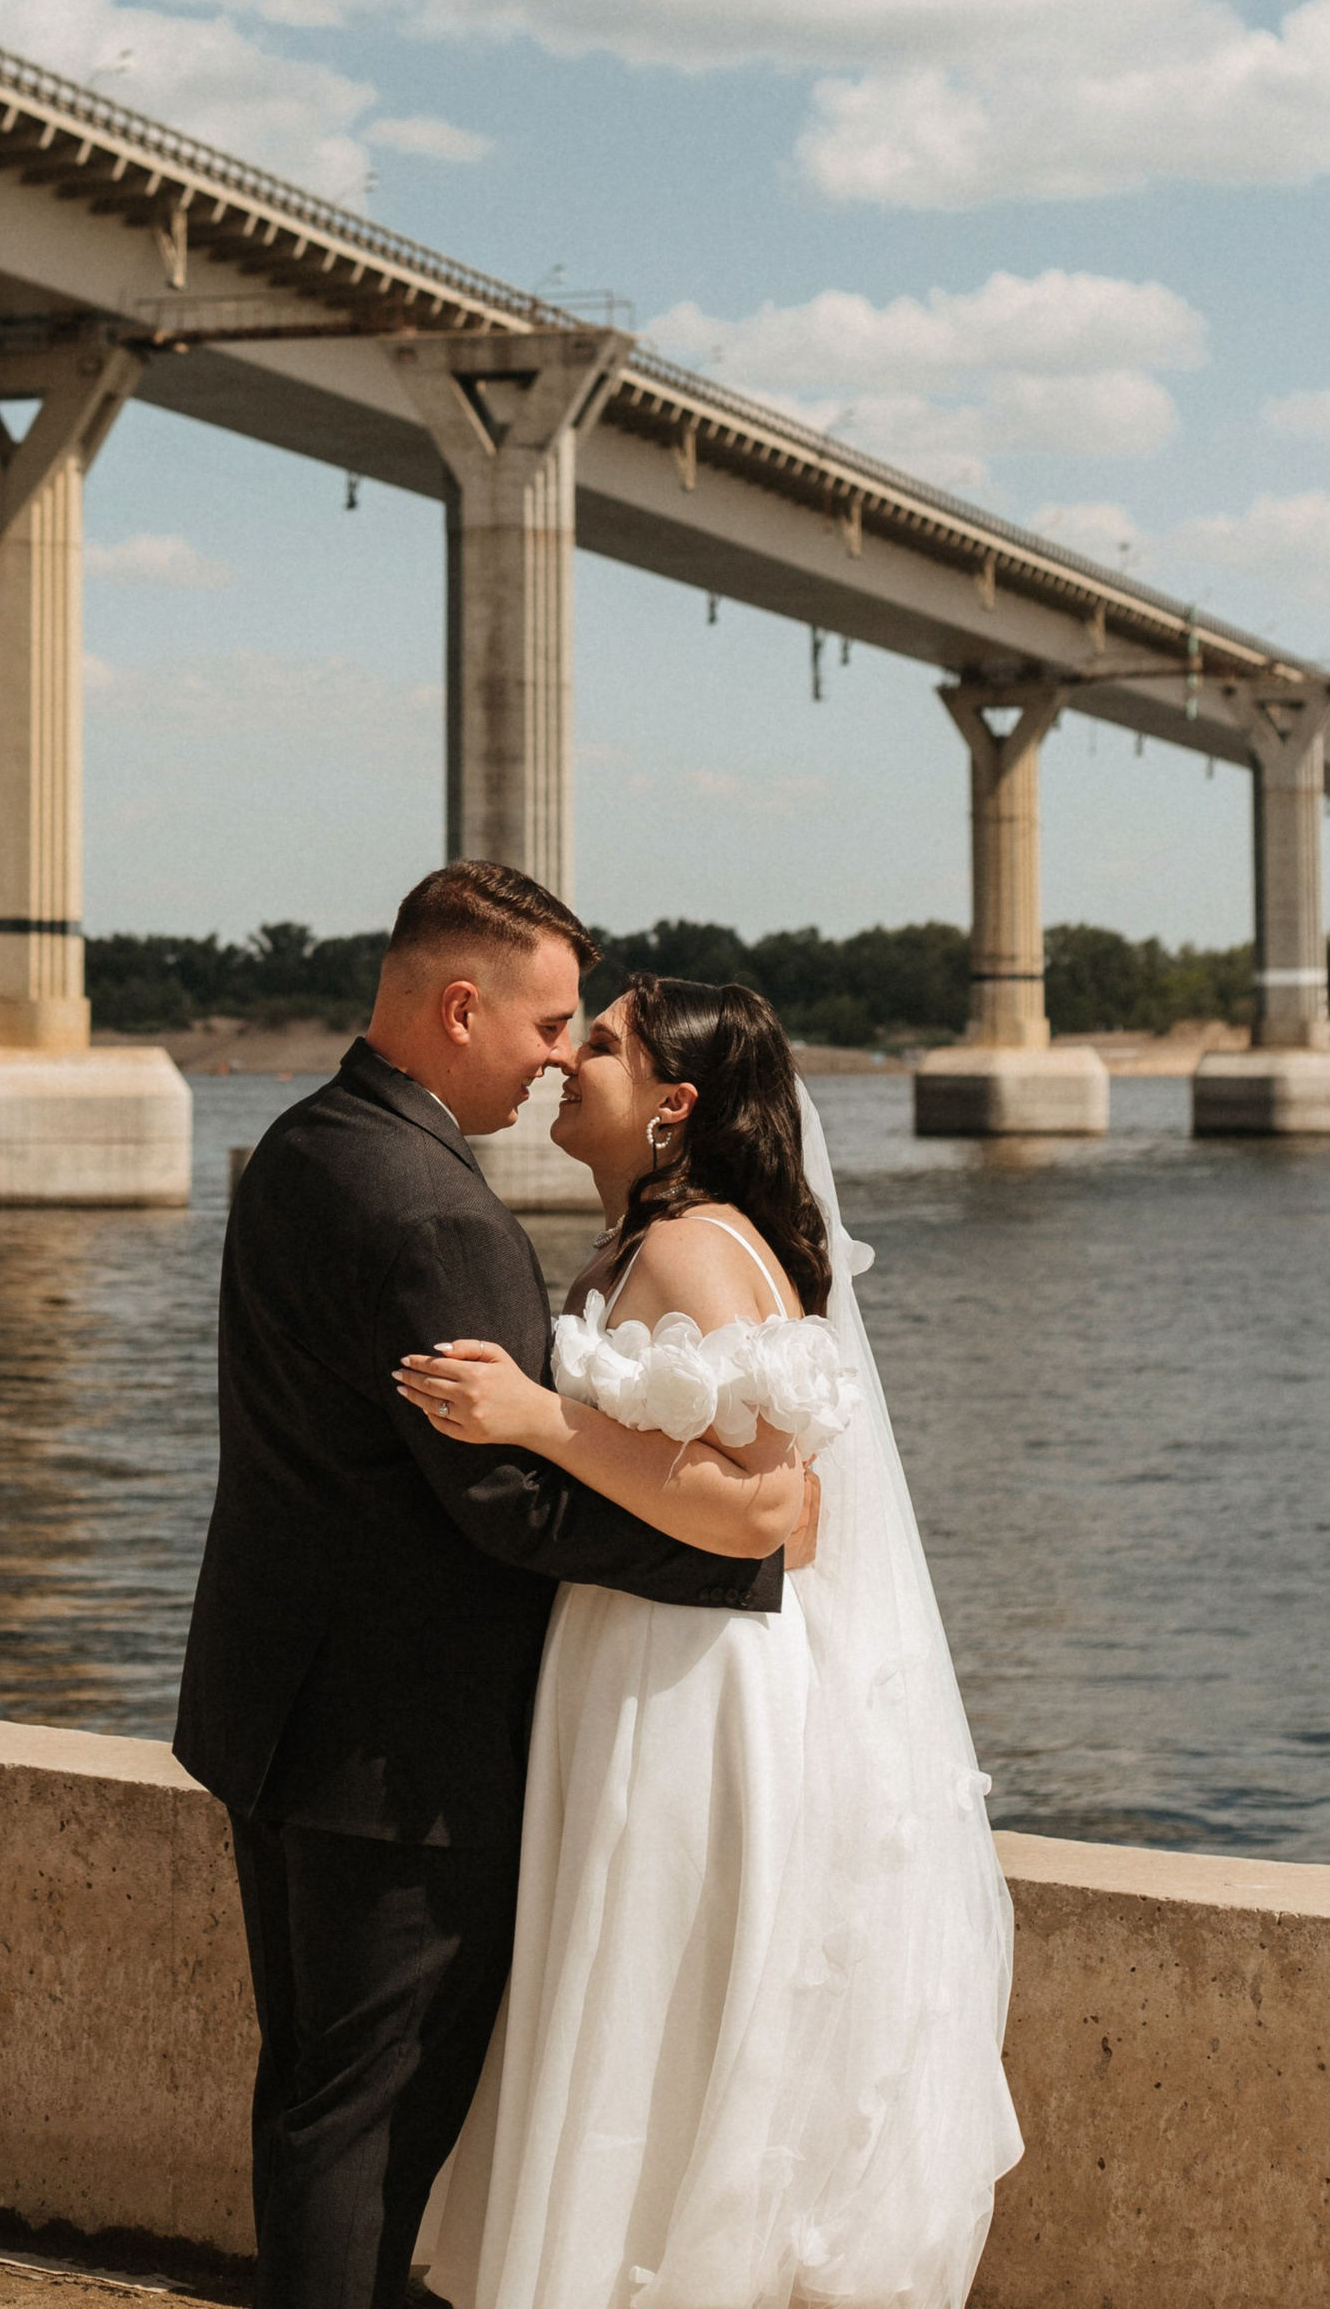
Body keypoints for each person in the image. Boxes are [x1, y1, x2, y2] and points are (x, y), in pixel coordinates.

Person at [174, 866, 793, 2309]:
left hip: (278, 1719)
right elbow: (512, 1505)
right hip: (405, 1756)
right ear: (461, 1006)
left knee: (316, 2100)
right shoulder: (439, 1214)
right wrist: (740, 1546)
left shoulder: (303, 1147)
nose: (557, 1058)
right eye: (549, 1021)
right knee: (367, 2128)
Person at [398, 976, 1020, 2309]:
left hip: (685, 1680)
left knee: (656, 2009)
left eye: (604, 1044)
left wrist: (535, 1420)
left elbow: (776, 1521)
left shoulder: (690, 1254)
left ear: (673, 1106)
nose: (569, 1059)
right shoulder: (649, 1245)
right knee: (636, 2001)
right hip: (634, 1657)